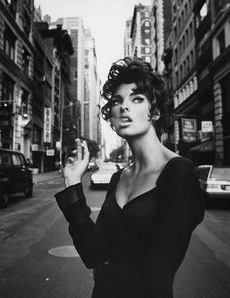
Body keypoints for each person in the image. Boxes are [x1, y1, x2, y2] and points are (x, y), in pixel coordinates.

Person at [55, 57, 204, 298]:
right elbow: (93, 253)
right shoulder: (118, 178)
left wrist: (106, 270)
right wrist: (72, 182)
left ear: (154, 111)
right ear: (111, 117)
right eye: (117, 101)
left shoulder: (179, 173)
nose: (124, 107)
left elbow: (157, 271)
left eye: (136, 99)